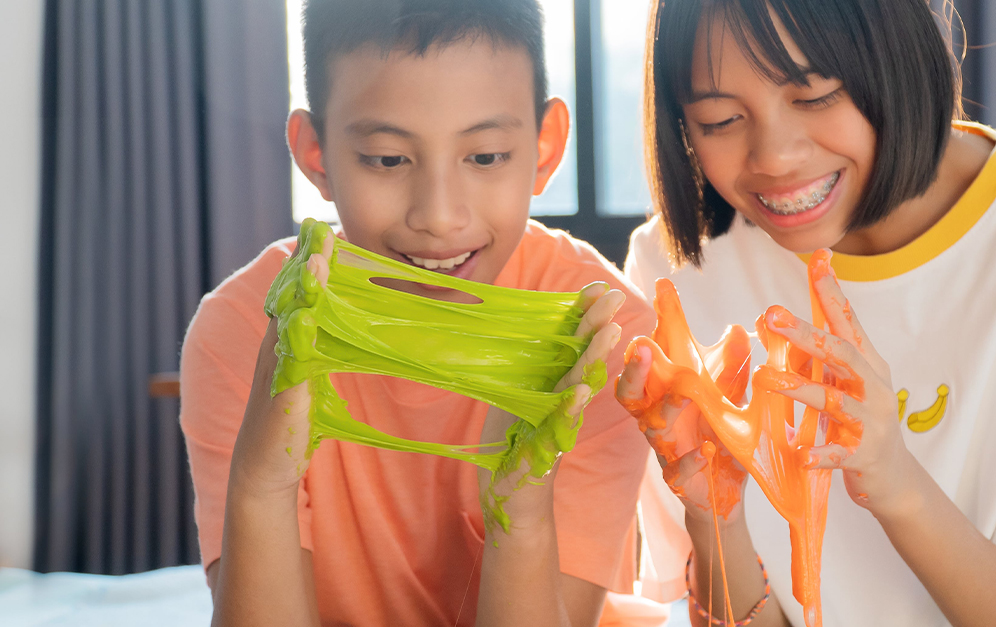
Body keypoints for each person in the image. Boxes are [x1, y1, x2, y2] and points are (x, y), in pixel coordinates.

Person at [617, 1, 996, 626]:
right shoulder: (676, 275)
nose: (774, 157)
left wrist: (895, 481)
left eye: (815, 95)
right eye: (721, 118)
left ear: (899, 55)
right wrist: (717, 521)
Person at [179, 1, 658, 625]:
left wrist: (521, 515)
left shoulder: (598, 333)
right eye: (387, 159)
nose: (438, 215)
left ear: (544, 147)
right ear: (315, 153)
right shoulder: (245, 328)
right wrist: (261, 483)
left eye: (485, 157)